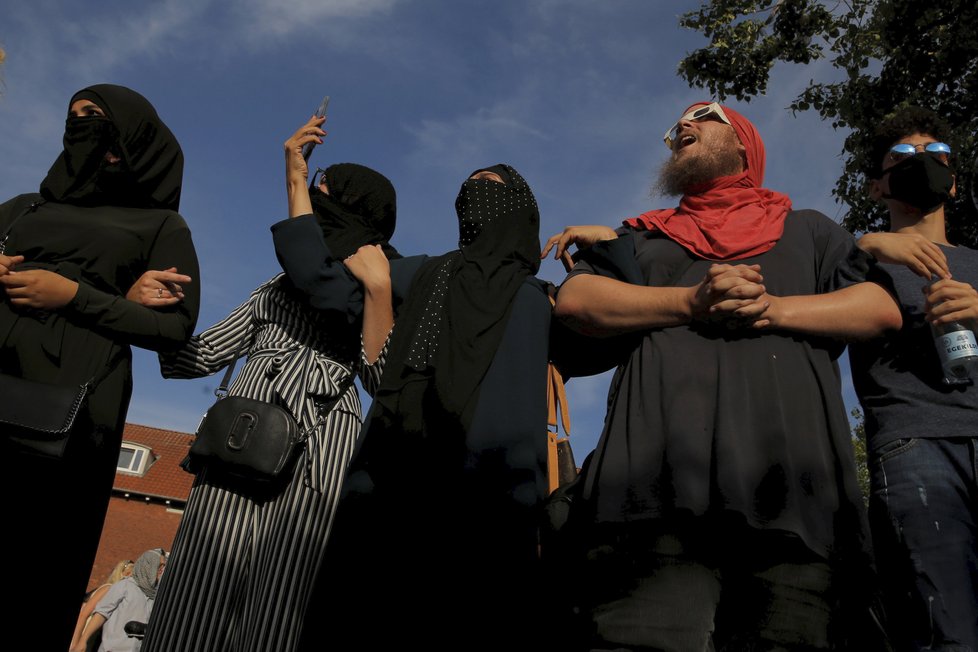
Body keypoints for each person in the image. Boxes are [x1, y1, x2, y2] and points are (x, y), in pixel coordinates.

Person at [548, 101, 902, 650]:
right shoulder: (643, 237)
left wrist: (772, 309)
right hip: (649, 510)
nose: (681, 127)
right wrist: (692, 301)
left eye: (703, 115)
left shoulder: (808, 229)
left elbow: (878, 308)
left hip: (795, 510)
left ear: (744, 144)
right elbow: (576, 301)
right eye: (674, 126)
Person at [138, 115, 396, 652]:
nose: (316, 201)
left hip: (323, 449)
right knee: (198, 586)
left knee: (286, 598)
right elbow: (204, 352)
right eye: (314, 189)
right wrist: (151, 316)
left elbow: (380, 377)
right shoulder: (276, 287)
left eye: (326, 192)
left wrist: (378, 294)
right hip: (241, 436)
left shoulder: (382, 280)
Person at [298, 163, 554, 650]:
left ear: (520, 205)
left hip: (486, 499)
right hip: (390, 476)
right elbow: (325, 265)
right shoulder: (427, 272)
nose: (474, 190)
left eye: (490, 185)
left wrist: (608, 252)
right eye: (469, 184)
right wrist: (299, 183)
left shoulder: (539, 300)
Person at [0, 84, 199, 651]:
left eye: (95, 117)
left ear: (129, 138)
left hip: (68, 412)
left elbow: (174, 328)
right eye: (73, 116)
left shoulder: (159, 226)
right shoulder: (22, 208)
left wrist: (75, 295)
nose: (79, 125)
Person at [848, 106, 978, 651]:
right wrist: (867, 243)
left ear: (953, 179)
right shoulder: (861, 262)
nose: (919, 162)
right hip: (915, 444)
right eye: (901, 157)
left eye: (934, 155)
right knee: (947, 629)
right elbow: (804, 295)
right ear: (878, 186)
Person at [71, 548, 166, 652]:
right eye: (159, 565)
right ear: (148, 565)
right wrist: (82, 641)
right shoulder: (124, 586)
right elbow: (101, 614)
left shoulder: (155, 596)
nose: (162, 569)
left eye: (163, 566)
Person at [71, 559, 135, 652]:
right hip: (79, 637)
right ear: (124, 573)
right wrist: (75, 643)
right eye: (131, 575)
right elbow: (83, 614)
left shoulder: (115, 594)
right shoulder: (108, 588)